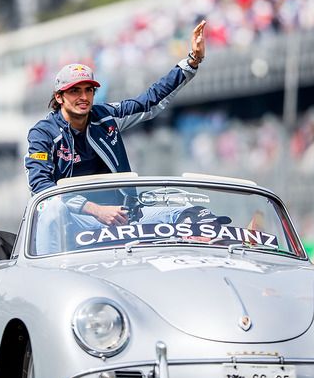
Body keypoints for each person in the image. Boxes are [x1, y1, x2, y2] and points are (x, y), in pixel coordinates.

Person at [25, 20, 206, 252]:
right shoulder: (42, 133)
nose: (83, 97)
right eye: (74, 91)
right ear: (59, 97)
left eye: (88, 90)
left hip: (123, 219)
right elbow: (41, 188)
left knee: (187, 210)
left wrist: (192, 61)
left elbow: (149, 101)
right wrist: (95, 210)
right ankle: (49, 276)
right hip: (74, 222)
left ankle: (229, 251)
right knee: (51, 208)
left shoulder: (106, 116)